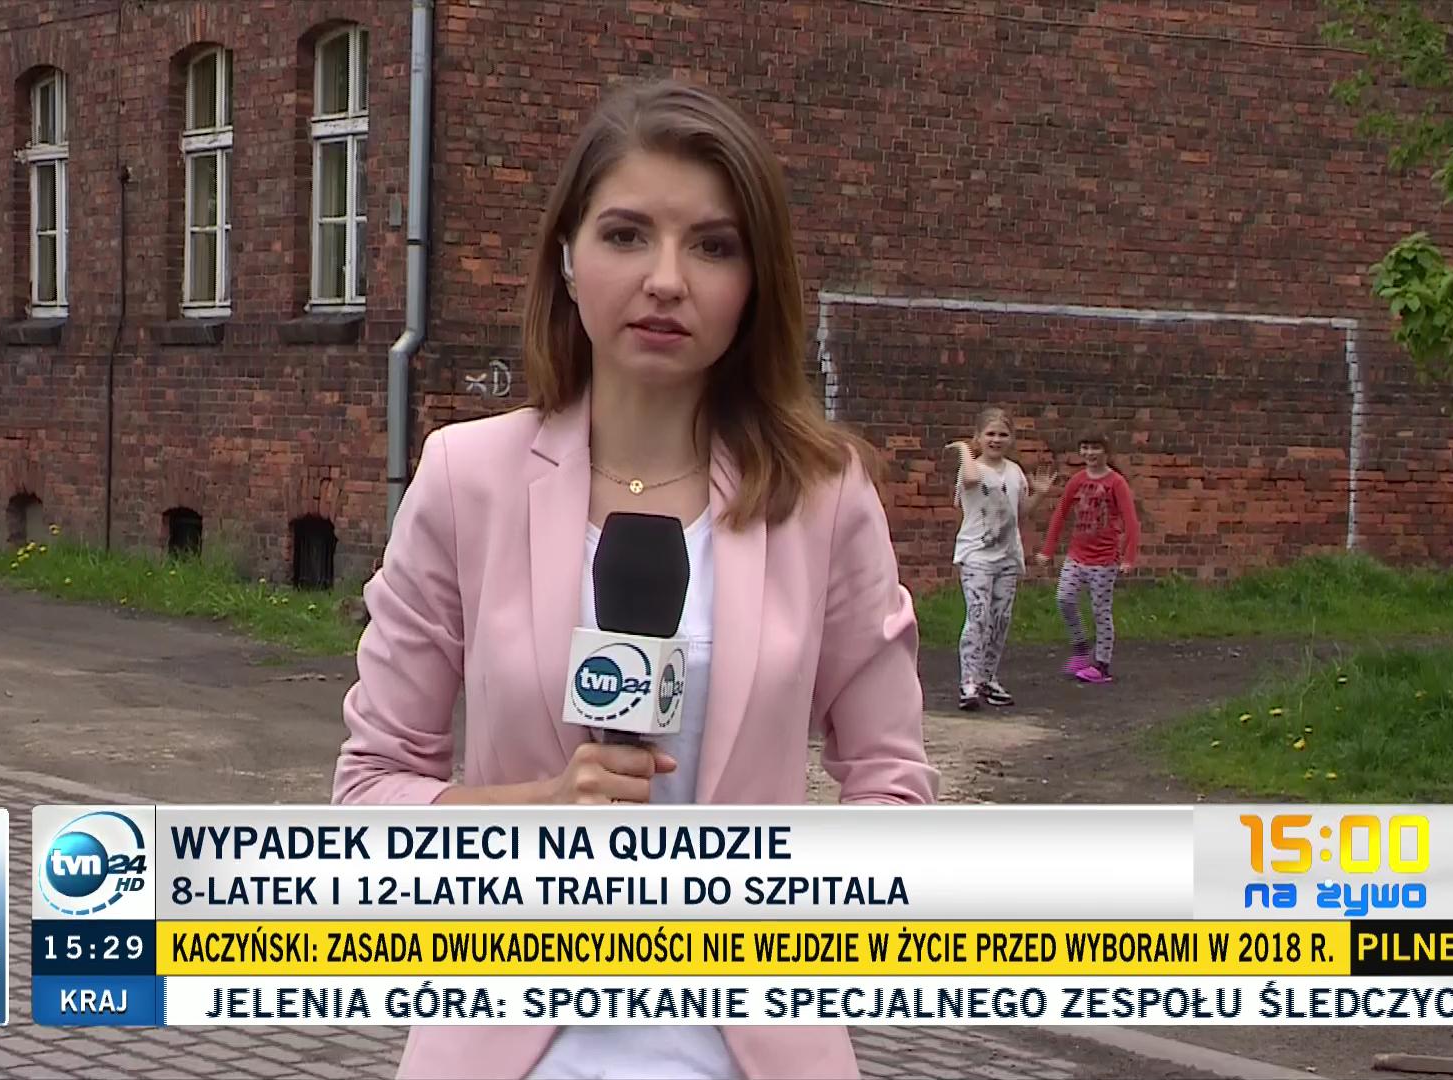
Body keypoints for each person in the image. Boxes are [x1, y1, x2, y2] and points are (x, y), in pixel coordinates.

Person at [332, 79, 938, 1080]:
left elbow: (893, 791)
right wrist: (532, 813)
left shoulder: (824, 498)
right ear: (567, 260)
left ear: (755, 283)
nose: (666, 280)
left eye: (713, 246)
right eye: (625, 235)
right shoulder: (465, 478)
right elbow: (370, 791)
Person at [946, 410, 1054, 710]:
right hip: (976, 554)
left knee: (1000, 619)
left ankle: (988, 677)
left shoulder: (1015, 472)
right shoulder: (971, 467)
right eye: (990, 434)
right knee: (978, 616)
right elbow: (971, 479)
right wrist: (964, 449)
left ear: (1012, 439)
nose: (996, 440)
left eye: (1003, 434)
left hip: (1007, 555)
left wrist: (1040, 494)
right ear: (979, 437)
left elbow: (1020, 512)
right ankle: (969, 681)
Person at [1035, 434, 1141, 684]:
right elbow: (1060, 514)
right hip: (1076, 556)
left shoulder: (1116, 483)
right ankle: (1081, 647)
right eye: (1085, 448)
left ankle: (1102, 664)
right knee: (1064, 599)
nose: (1089, 453)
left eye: (1095, 448)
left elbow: (1131, 521)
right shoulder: (1077, 480)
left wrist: (1129, 557)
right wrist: (1047, 550)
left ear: (1106, 451)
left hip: (1104, 560)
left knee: (1100, 611)